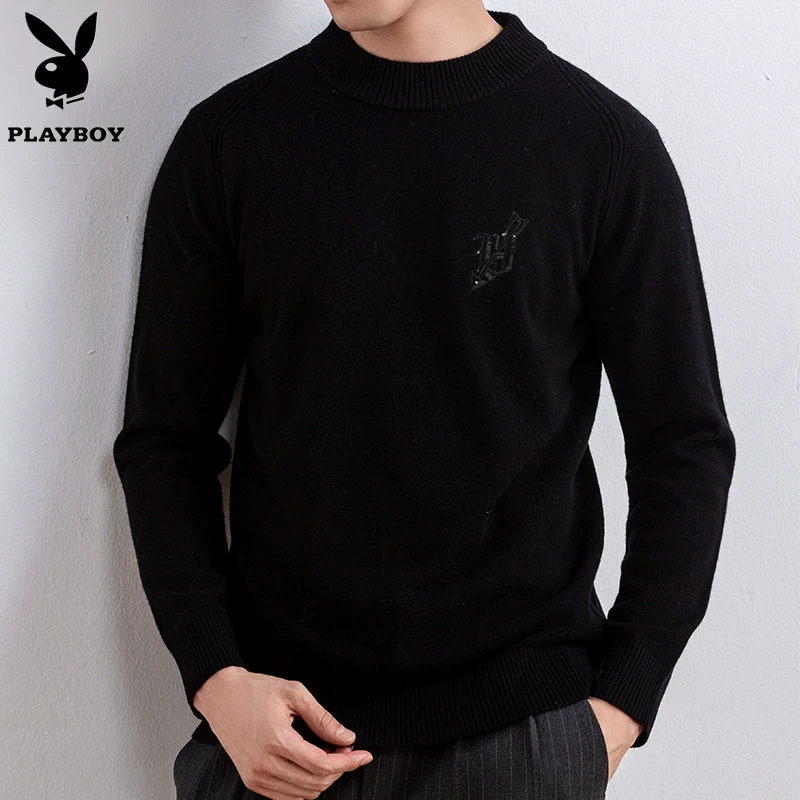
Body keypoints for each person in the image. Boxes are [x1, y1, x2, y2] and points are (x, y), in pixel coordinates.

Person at [112, 2, 736, 798]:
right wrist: (214, 675)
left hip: (522, 738)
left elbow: (683, 442)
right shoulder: (233, 139)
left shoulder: (601, 145)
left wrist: (624, 702)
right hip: (277, 737)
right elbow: (166, 441)